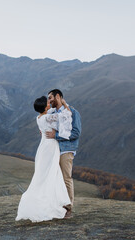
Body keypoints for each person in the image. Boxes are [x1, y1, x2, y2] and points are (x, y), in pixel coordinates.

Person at [15, 96, 73, 222]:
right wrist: (64, 103)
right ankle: (51, 204)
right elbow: (66, 115)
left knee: (45, 175)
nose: (49, 102)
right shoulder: (47, 117)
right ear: (45, 106)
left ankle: (48, 202)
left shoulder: (39, 117)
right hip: (51, 147)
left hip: (43, 147)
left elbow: (50, 114)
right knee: (52, 174)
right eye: (47, 102)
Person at [46, 89, 81, 218]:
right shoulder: (52, 113)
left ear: (58, 97)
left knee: (66, 178)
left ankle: (68, 208)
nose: (49, 101)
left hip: (66, 150)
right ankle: (58, 206)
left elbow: (76, 133)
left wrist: (57, 135)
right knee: (56, 179)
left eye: (50, 98)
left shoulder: (72, 113)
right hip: (55, 150)